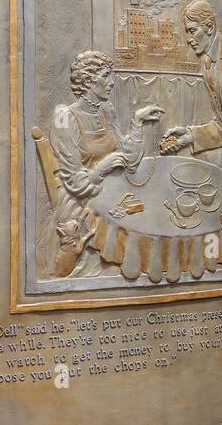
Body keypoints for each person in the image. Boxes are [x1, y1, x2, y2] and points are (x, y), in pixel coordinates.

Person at [49, 50, 162, 276]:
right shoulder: (65, 117)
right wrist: (103, 167)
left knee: (156, 209)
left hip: (111, 192)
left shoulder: (105, 111)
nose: (112, 82)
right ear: (90, 81)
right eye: (106, 76)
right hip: (80, 202)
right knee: (142, 223)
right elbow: (75, 182)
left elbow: (130, 159)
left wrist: (138, 122)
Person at [161, 0, 222, 224]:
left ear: (210, 27)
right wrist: (190, 135)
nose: (188, 39)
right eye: (187, 32)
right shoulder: (208, 64)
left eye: (192, 31)